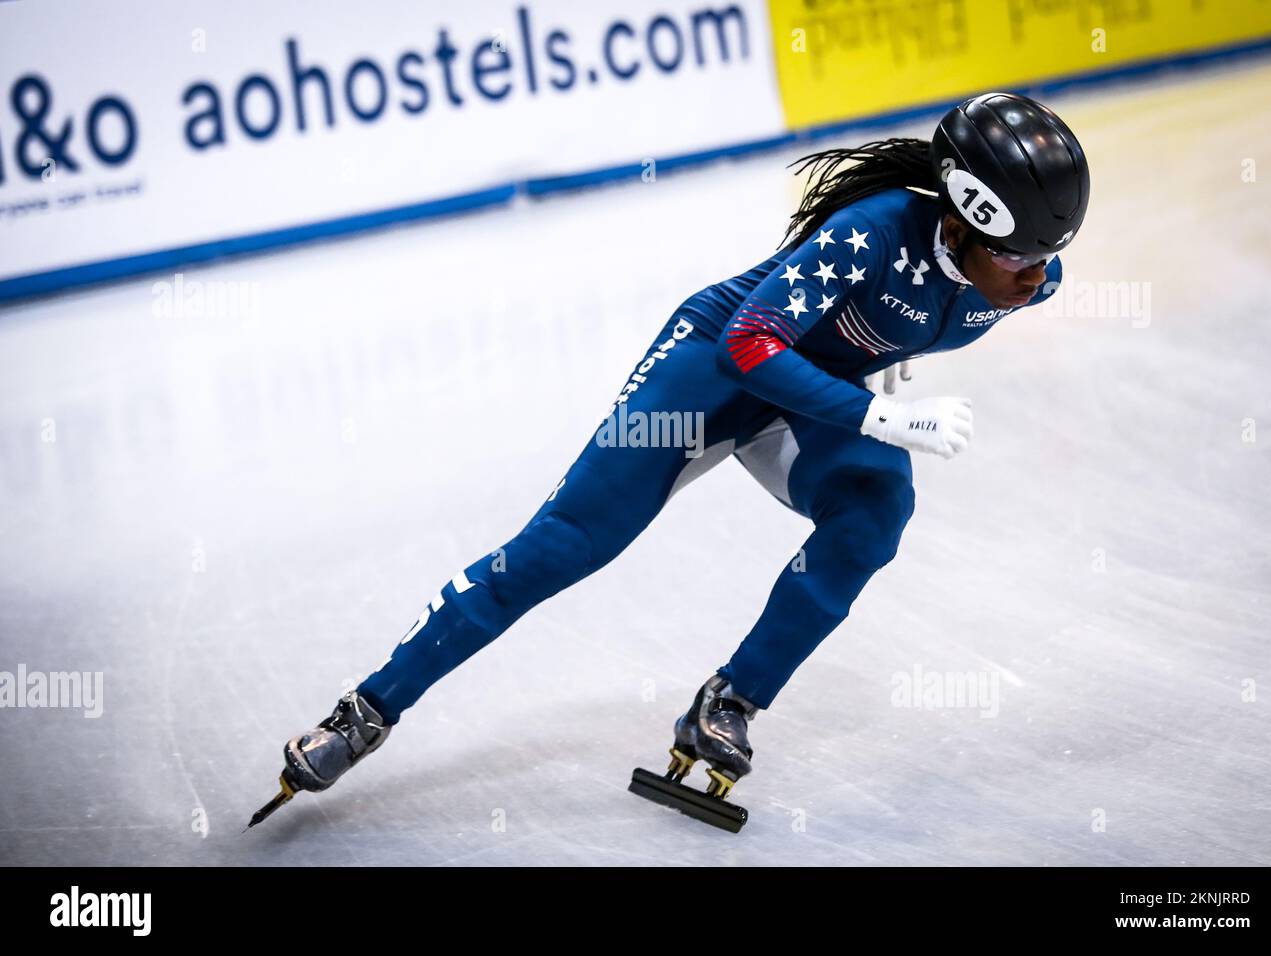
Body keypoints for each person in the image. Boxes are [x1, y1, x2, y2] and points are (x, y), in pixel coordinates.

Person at [251, 91, 1090, 827]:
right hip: (715, 371)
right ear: (965, 216)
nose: (1035, 279)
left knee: (874, 517)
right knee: (561, 548)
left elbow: (911, 312)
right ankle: (365, 711)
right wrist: (877, 412)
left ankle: (729, 703)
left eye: (1046, 258)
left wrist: (872, 370)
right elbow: (751, 343)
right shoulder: (868, 233)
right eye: (1018, 257)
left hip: (807, 390)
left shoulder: (1025, 276)